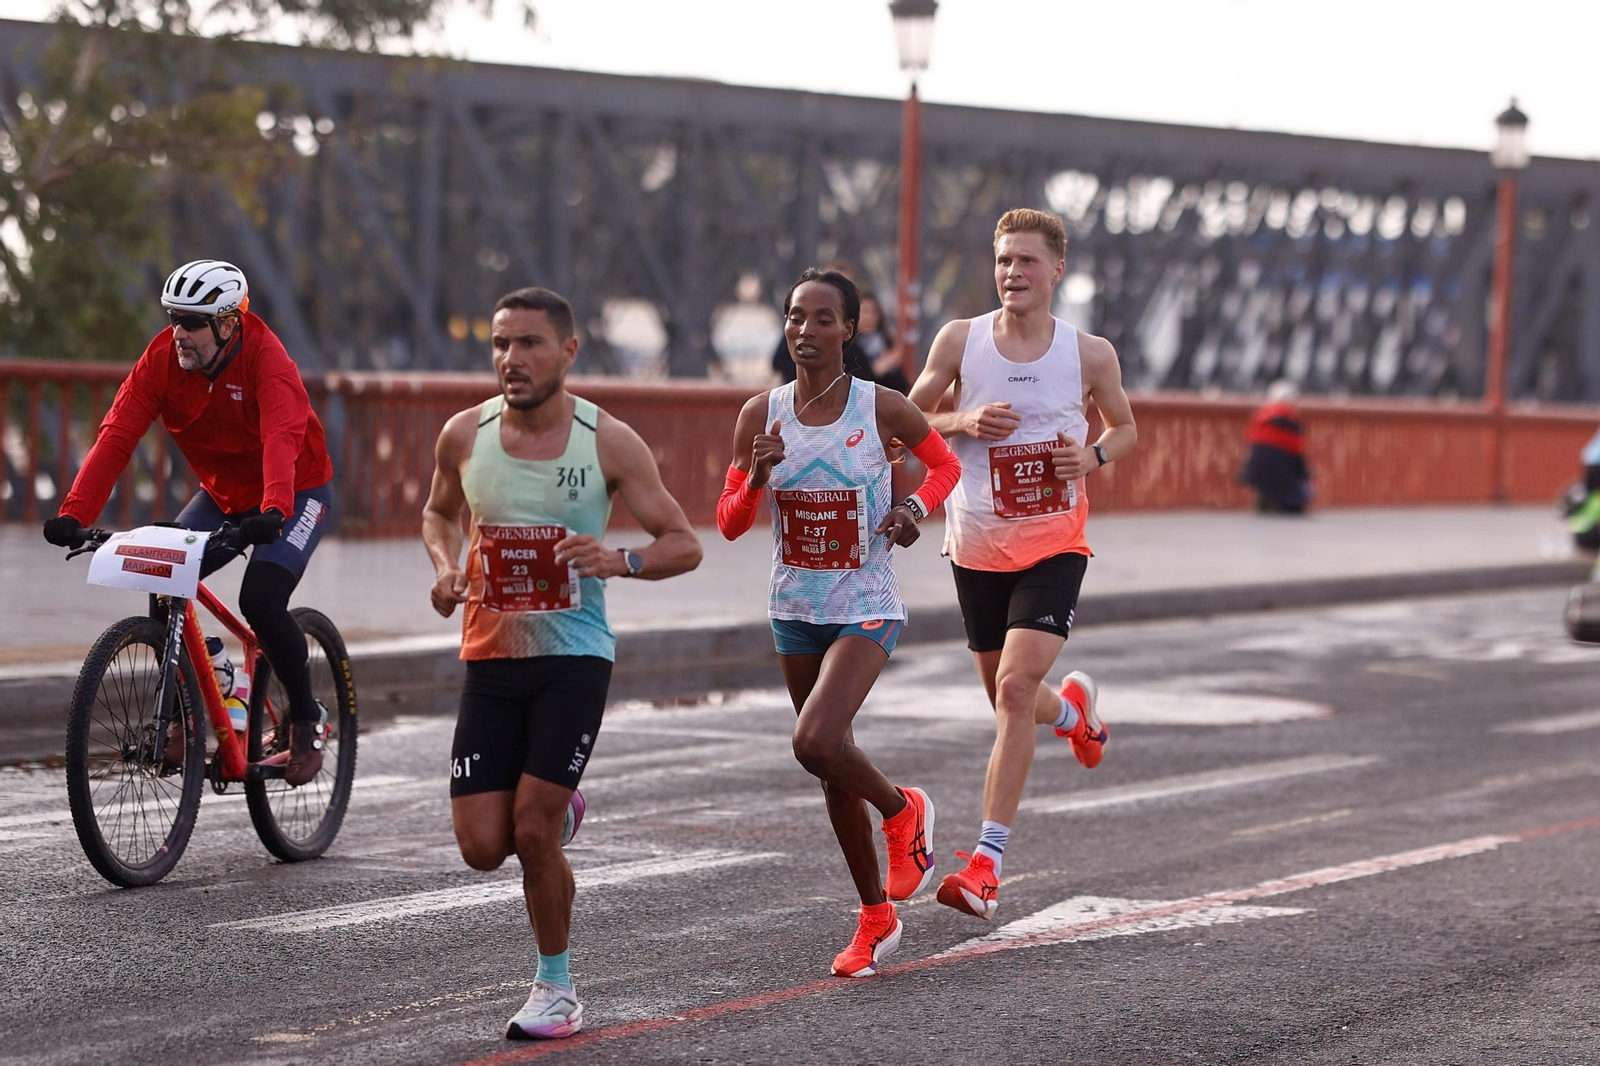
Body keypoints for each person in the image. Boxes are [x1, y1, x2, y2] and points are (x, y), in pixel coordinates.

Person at [421, 286, 702, 1041]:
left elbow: (684, 540)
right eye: (501, 343)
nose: (512, 359)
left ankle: (557, 988)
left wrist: (621, 559)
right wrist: (446, 568)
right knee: (484, 846)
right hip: (489, 656)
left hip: (575, 656)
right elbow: (438, 512)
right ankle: (559, 804)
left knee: (533, 832)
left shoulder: (607, 442)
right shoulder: (464, 435)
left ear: (569, 352)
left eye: (530, 344)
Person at [718, 267, 962, 977]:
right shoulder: (759, 414)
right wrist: (757, 479)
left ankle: (901, 808)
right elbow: (729, 523)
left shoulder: (880, 407)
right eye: (796, 318)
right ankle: (875, 919)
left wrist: (913, 511)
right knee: (829, 769)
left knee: (815, 739)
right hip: (793, 607)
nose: (806, 331)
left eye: (824, 319)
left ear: (850, 329)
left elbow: (943, 467)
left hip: (866, 606)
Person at [908, 208, 1137, 921]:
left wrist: (1092, 455)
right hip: (975, 544)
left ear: (1057, 271)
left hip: (1055, 543)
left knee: (1011, 690)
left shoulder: (1088, 354)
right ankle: (1073, 713)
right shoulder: (961, 341)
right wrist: (961, 422)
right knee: (1009, 697)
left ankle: (985, 864)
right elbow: (906, 420)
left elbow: (1125, 428)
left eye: (1028, 262)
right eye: (1005, 261)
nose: (1013, 273)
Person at [42, 259, 334, 786]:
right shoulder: (163, 358)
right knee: (162, 572)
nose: (180, 333)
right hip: (223, 494)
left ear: (228, 324)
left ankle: (307, 720)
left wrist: (272, 508)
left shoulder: (268, 362)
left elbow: (282, 440)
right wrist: (73, 512)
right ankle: (188, 707)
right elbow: (117, 434)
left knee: (262, 598)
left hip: (294, 490)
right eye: (175, 318)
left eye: (193, 322)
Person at [1239, 380, 1311, 514]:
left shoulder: (1261, 417)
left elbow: (1252, 443)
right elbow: (1296, 452)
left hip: (1256, 469)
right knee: (1295, 498)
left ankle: (1267, 499)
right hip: (1280, 471)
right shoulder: (1289, 420)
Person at [856, 290, 911, 395]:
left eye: (874, 312)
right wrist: (877, 369)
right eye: (865, 311)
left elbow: (902, 385)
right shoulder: (850, 346)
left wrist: (892, 367)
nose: (870, 317)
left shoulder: (885, 342)